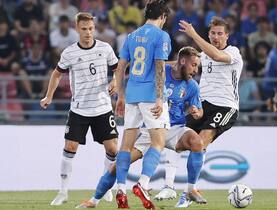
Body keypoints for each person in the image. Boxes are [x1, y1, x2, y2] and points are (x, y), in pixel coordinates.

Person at [76, 46, 207, 209]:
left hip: (174, 129)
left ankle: (190, 189)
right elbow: (137, 74)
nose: (195, 70)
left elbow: (200, 111)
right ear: (182, 61)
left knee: (197, 143)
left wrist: (196, 112)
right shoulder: (160, 71)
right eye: (194, 65)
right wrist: (119, 88)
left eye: (197, 66)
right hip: (151, 129)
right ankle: (93, 201)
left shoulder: (192, 85)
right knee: (117, 167)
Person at [40, 12, 119, 206]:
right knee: (70, 147)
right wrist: (49, 96)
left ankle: (105, 187)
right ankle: (63, 192)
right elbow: (56, 74)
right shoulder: (69, 53)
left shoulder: (105, 48)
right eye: (84, 29)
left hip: (102, 107)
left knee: (112, 149)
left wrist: (115, 81)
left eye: (91, 28)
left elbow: (118, 69)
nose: (88, 32)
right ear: (77, 29)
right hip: (79, 109)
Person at [166, 16, 243, 207]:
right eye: (213, 33)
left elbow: (217, 56)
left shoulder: (233, 52)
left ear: (227, 36)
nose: (216, 37)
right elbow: (181, 66)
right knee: (175, 141)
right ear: (209, 34)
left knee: (199, 142)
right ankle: (168, 186)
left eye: (220, 33)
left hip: (225, 106)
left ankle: (187, 193)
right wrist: (157, 66)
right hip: (201, 106)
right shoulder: (204, 54)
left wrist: (193, 35)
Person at [112, 1, 171, 209]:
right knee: (158, 142)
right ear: (162, 16)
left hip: (131, 95)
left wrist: (120, 96)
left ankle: (121, 189)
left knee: (125, 146)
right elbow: (160, 67)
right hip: (149, 96)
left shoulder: (131, 36)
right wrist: (158, 98)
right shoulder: (161, 36)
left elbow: (120, 69)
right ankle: (143, 184)